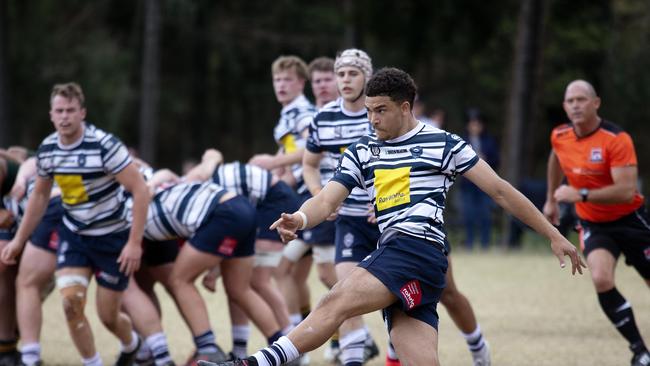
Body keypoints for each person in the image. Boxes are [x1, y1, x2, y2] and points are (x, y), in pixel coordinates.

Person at [203, 68, 584, 366]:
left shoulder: (444, 144)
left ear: (406, 107)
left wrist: (553, 233)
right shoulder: (363, 150)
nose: (373, 119)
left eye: (381, 110)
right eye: (369, 111)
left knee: (333, 301)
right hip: (406, 260)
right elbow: (325, 200)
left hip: (417, 248)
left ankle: (254, 362)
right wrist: (300, 219)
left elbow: (501, 191)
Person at [1, 82, 151, 366]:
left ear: (83, 113)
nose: (65, 116)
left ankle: (133, 345)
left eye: (71, 110)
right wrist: (19, 240)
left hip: (112, 237)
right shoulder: (48, 149)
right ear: (51, 114)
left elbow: (141, 190)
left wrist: (133, 243)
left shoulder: (104, 146)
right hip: (75, 234)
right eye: (59, 110)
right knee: (71, 303)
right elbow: (41, 195)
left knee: (109, 315)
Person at [543, 79, 650, 366]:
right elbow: (556, 158)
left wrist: (580, 194)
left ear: (595, 103)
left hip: (631, 220)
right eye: (570, 101)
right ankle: (640, 351)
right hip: (594, 224)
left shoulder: (616, 139)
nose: (575, 105)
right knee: (601, 279)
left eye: (581, 99)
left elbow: (626, 190)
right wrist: (551, 199)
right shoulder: (560, 135)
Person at [302, 49, 379, 366]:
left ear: (367, 78)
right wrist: (321, 194)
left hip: (388, 219)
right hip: (348, 219)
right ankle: (353, 361)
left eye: (353, 73)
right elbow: (309, 164)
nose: (345, 80)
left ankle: (476, 347)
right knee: (343, 291)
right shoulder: (323, 118)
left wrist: (386, 201)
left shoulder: (380, 113)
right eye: (341, 74)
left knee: (435, 296)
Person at [459, 108, 499, 250]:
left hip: (484, 183)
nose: (475, 127)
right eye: (472, 123)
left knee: (485, 214)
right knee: (468, 214)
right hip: (468, 184)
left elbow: (496, 159)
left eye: (477, 124)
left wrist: (485, 160)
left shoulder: (489, 141)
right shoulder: (462, 140)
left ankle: (485, 244)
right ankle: (469, 243)